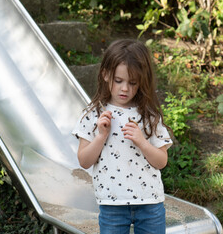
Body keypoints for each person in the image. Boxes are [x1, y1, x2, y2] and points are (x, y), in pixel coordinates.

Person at [72, 39, 173, 234]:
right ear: (106, 75)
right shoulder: (94, 114)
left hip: (150, 203)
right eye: (119, 81)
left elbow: (161, 161)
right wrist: (101, 136)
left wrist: (142, 142)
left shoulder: (149, 115)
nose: (125, 88)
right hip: (112, 204)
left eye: (132, 83)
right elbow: (84, 161)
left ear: (142, 81)